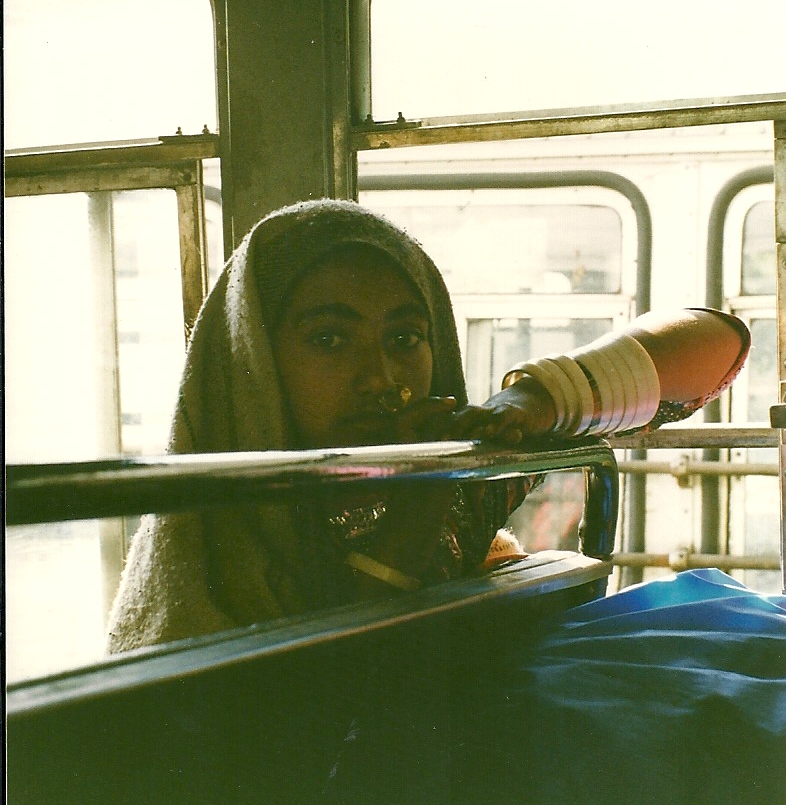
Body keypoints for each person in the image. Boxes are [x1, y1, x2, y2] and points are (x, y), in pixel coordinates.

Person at [107, 198, 750, 653]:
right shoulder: (217, 539)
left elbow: (716, 345)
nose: (380, 377)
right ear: (252, 357)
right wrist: (417, 511)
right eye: (329, 339)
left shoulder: (466, 467)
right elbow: (328, 702)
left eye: (405, 338)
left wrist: (539, 397)